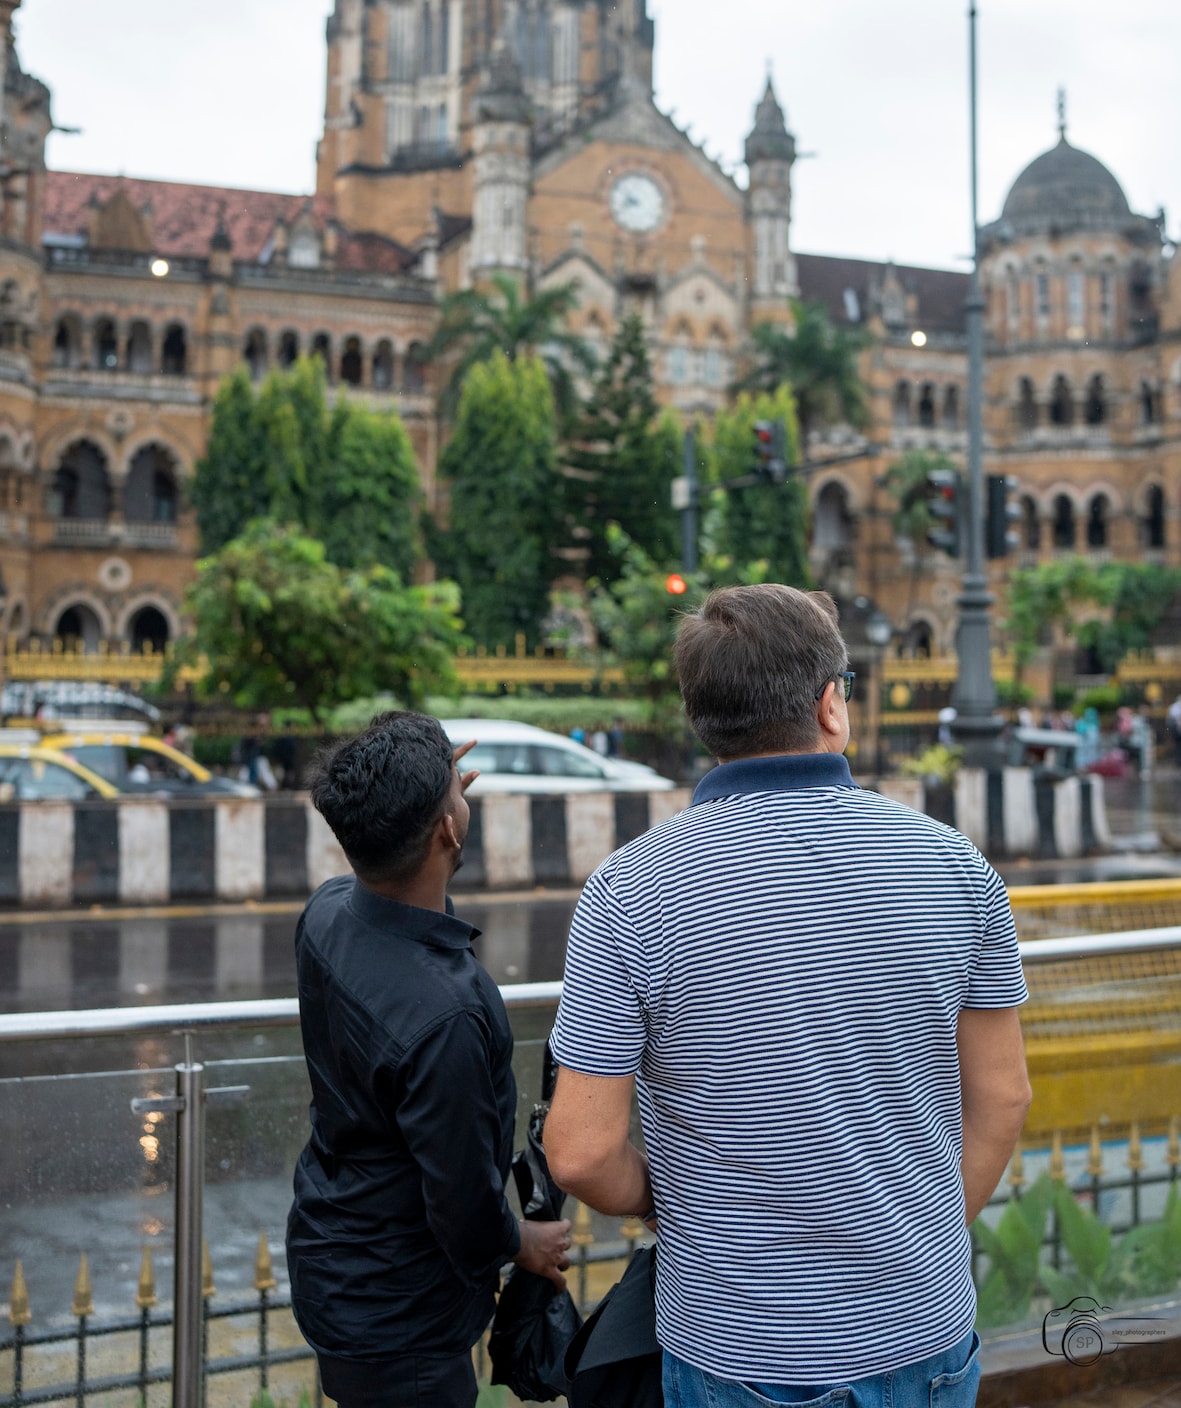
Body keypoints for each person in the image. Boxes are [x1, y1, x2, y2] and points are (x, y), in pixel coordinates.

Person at [544, 584, 1031, 1408]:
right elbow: (1004, 1098)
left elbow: (582, 1152)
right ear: (831, 705)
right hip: (925, 1333)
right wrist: (925, 1234)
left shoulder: (630, 891)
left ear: (703, 721)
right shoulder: (953, 866)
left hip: (737, 1349)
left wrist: (686, 1204)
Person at [286, 711, 571, 1408]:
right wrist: (523, 1243)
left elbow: (410, 898)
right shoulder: (447, 1016)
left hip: (334, 1260)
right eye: (457, 795)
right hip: (402, 1324)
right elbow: (465, 1206)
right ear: (447, 832)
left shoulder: (327, 913)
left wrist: (431, 800)